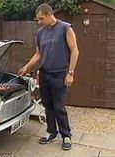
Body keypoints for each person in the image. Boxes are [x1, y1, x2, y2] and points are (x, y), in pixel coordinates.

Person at [18, 3, 79, 150]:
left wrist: (70, 73)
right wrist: (27, 67)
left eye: (41, 19)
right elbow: (38, 54)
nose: (39, 22)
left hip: (60, 73)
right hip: (44, 73)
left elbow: (75, 51)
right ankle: (51, 132)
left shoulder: (65, 28)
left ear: (50, 14)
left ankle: (66, 136)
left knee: (59, 106)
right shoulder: (40, 32)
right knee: (47, 105)